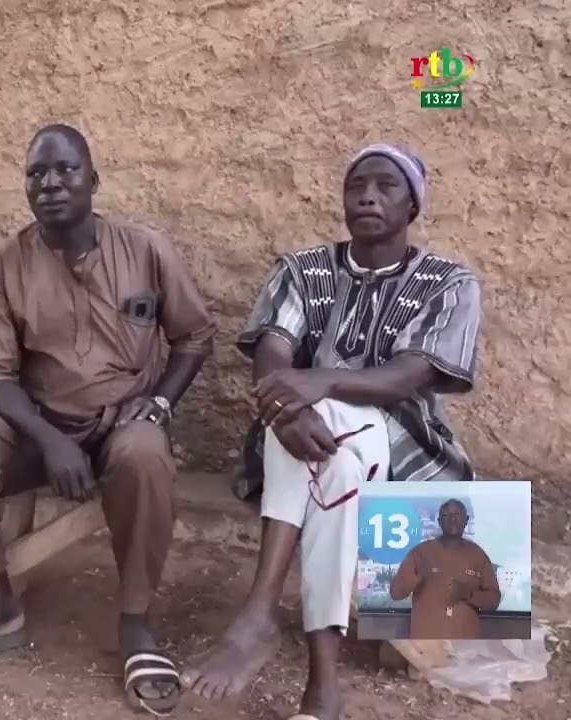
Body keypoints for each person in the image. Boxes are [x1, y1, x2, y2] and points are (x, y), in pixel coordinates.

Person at [0, 124, 216, 716]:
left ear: (94, 180)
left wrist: (158, 404)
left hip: (122, 422)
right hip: (37, 425)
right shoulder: (9, 262)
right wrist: (51, 441)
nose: (50, 183)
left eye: (65, 170)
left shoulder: (145, 249)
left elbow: (195, 336)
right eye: (36, 174)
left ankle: (136, 624)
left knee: (145, 453)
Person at [181, 144, 483, 720]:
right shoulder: (304, 270)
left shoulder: (448, 283)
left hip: (407, 454)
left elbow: (407, 378)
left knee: (339, 435)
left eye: (386, 186)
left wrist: (318, 383)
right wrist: (290, 410)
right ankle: (322, 691)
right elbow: (271, 355)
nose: (368, 195)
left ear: (413, 205)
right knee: (337, 457)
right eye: (356, 186)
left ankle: (261, 609)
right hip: (303, 442)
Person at [389, 499, 500, 638]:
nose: (452, 519)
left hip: (466, 649)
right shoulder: (420, 554)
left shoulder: (479, 556)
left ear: (466, 520)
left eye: (457, 514)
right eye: (447, 515)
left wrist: (468, 594)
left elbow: (494, 600)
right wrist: (417, 578)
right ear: (439, 521)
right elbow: (395, 593)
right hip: (425, 647)